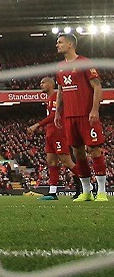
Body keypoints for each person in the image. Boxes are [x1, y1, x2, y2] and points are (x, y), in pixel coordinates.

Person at [53, 33, 107, 202]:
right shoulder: (60, 67)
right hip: (69, 116)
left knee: (95, 150)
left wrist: (94, 110)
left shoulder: (85, 63)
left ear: (70, 45)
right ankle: (86, 191)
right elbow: (61, 91)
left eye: (60, 42)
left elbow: (97, 87)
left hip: (86, 114)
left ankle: (102, 191)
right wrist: (57, 112)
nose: (57, 45)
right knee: (78, 153)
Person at [26, 76, 80, 200]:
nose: (41, 85)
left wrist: (37, 125)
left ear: (51, 85)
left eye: (43, 83)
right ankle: (52, 192)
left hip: (58, 133)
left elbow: (54, 116)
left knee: (67, 162)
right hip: (50, 134)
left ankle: (89, 185)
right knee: (51, 162)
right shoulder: (50, 99)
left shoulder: (56, 97)